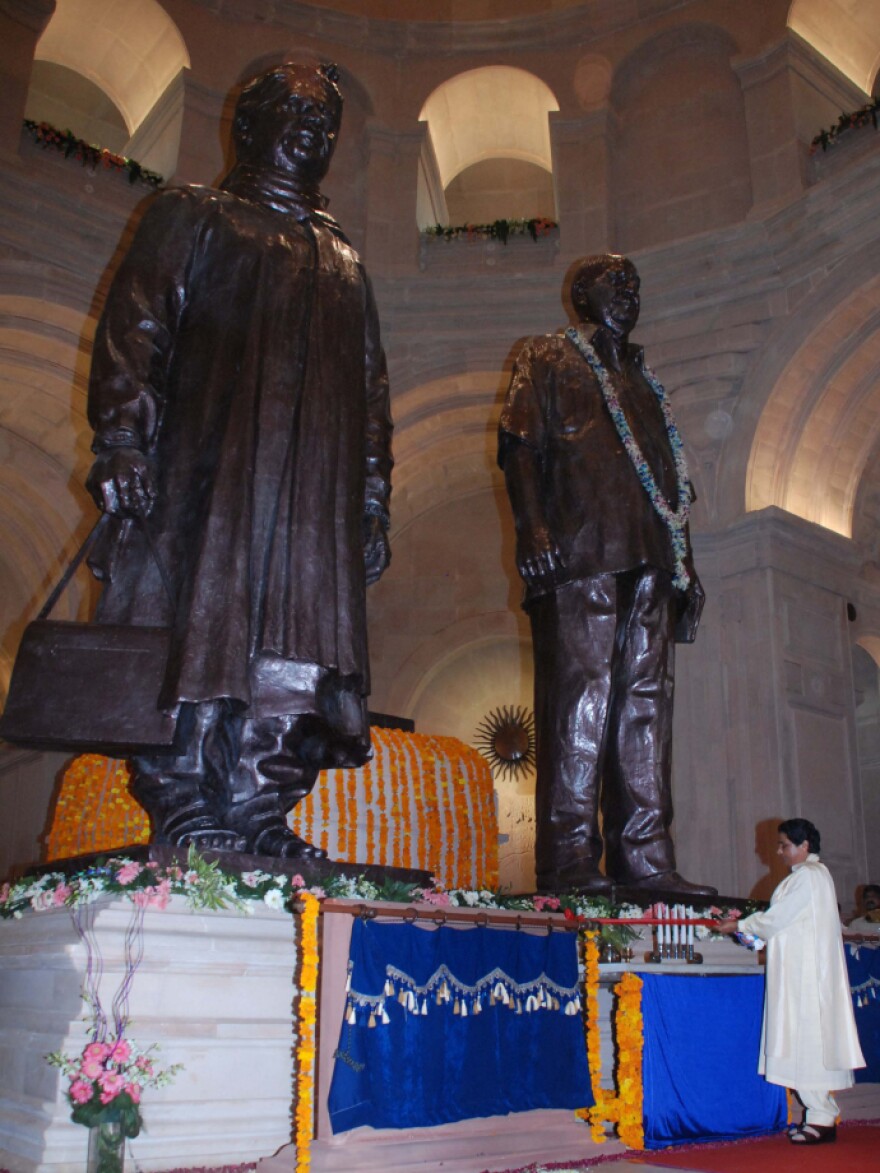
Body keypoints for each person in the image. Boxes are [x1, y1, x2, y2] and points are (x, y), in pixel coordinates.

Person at [85, 60, 393, 858]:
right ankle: (185, 798)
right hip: (211, 473)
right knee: (201, 625)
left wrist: (370, 497)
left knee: (299, 646)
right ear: (246, 125)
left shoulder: (344, 260)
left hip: (312, 495)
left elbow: (371, 392)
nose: (312, 130)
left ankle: (262, 805)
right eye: (294, 111)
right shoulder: (192, 214)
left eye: (325, 122)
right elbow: (137, 328)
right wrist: (122, 437)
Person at [498, 254, 713, 896]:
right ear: (581, 296)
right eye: (613, 283)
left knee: (647, 705)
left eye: (635, 285)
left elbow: (672, 482)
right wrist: (532, 529)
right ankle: (567, 860)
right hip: (577, 553)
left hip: (651, 556)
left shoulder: (645, 379)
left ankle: (645, 858)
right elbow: (519, 448)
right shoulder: (546, 356)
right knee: (578, 700)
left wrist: (686, 562)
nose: (628, 293)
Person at [717, 819, 865, 1145]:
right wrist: (745, 930)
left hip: (806, 977)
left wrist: (740, 925)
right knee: (802, 1043)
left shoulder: (809, 878)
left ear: (804, 846)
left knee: (807, 1044)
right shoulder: (804, 878)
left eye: (784, 845)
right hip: (798, 972)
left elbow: (776, 920)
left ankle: (822, 1117)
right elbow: (780, 926)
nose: (779, 851)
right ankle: (819, 1114)